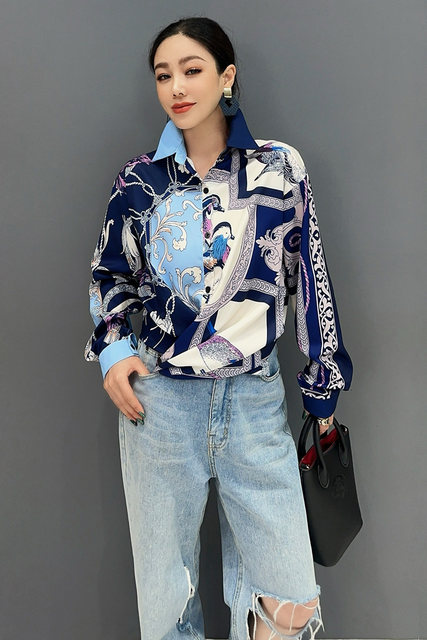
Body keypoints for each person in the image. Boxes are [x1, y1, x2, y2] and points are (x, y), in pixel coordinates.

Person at [84, 16, 353, 640]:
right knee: (167, 606)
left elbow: (310, 279)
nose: (177, 87)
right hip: (160, 406)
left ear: (226, 77)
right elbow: (110, 273)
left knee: (290, 603)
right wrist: (114, 350)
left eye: (192, 69)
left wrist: (323, 389)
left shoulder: (280, 169)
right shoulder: (139, 181)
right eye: (163, 75)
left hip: (254, 399)